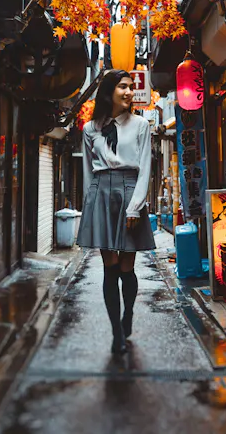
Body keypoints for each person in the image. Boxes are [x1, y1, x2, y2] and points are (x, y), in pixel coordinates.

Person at [76, 69, 156, 353]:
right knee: (109, 267)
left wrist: (136, 206)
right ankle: (116, 334)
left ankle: (128, 313)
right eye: (122, 86)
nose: (128, 92)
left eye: (130, 87)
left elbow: (145, 167)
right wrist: (90, 207)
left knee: (127, 266)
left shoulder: (141, 125)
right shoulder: (90, 129)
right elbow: (88, 170)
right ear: (109, 91)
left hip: (129, 191)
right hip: (101, 193)